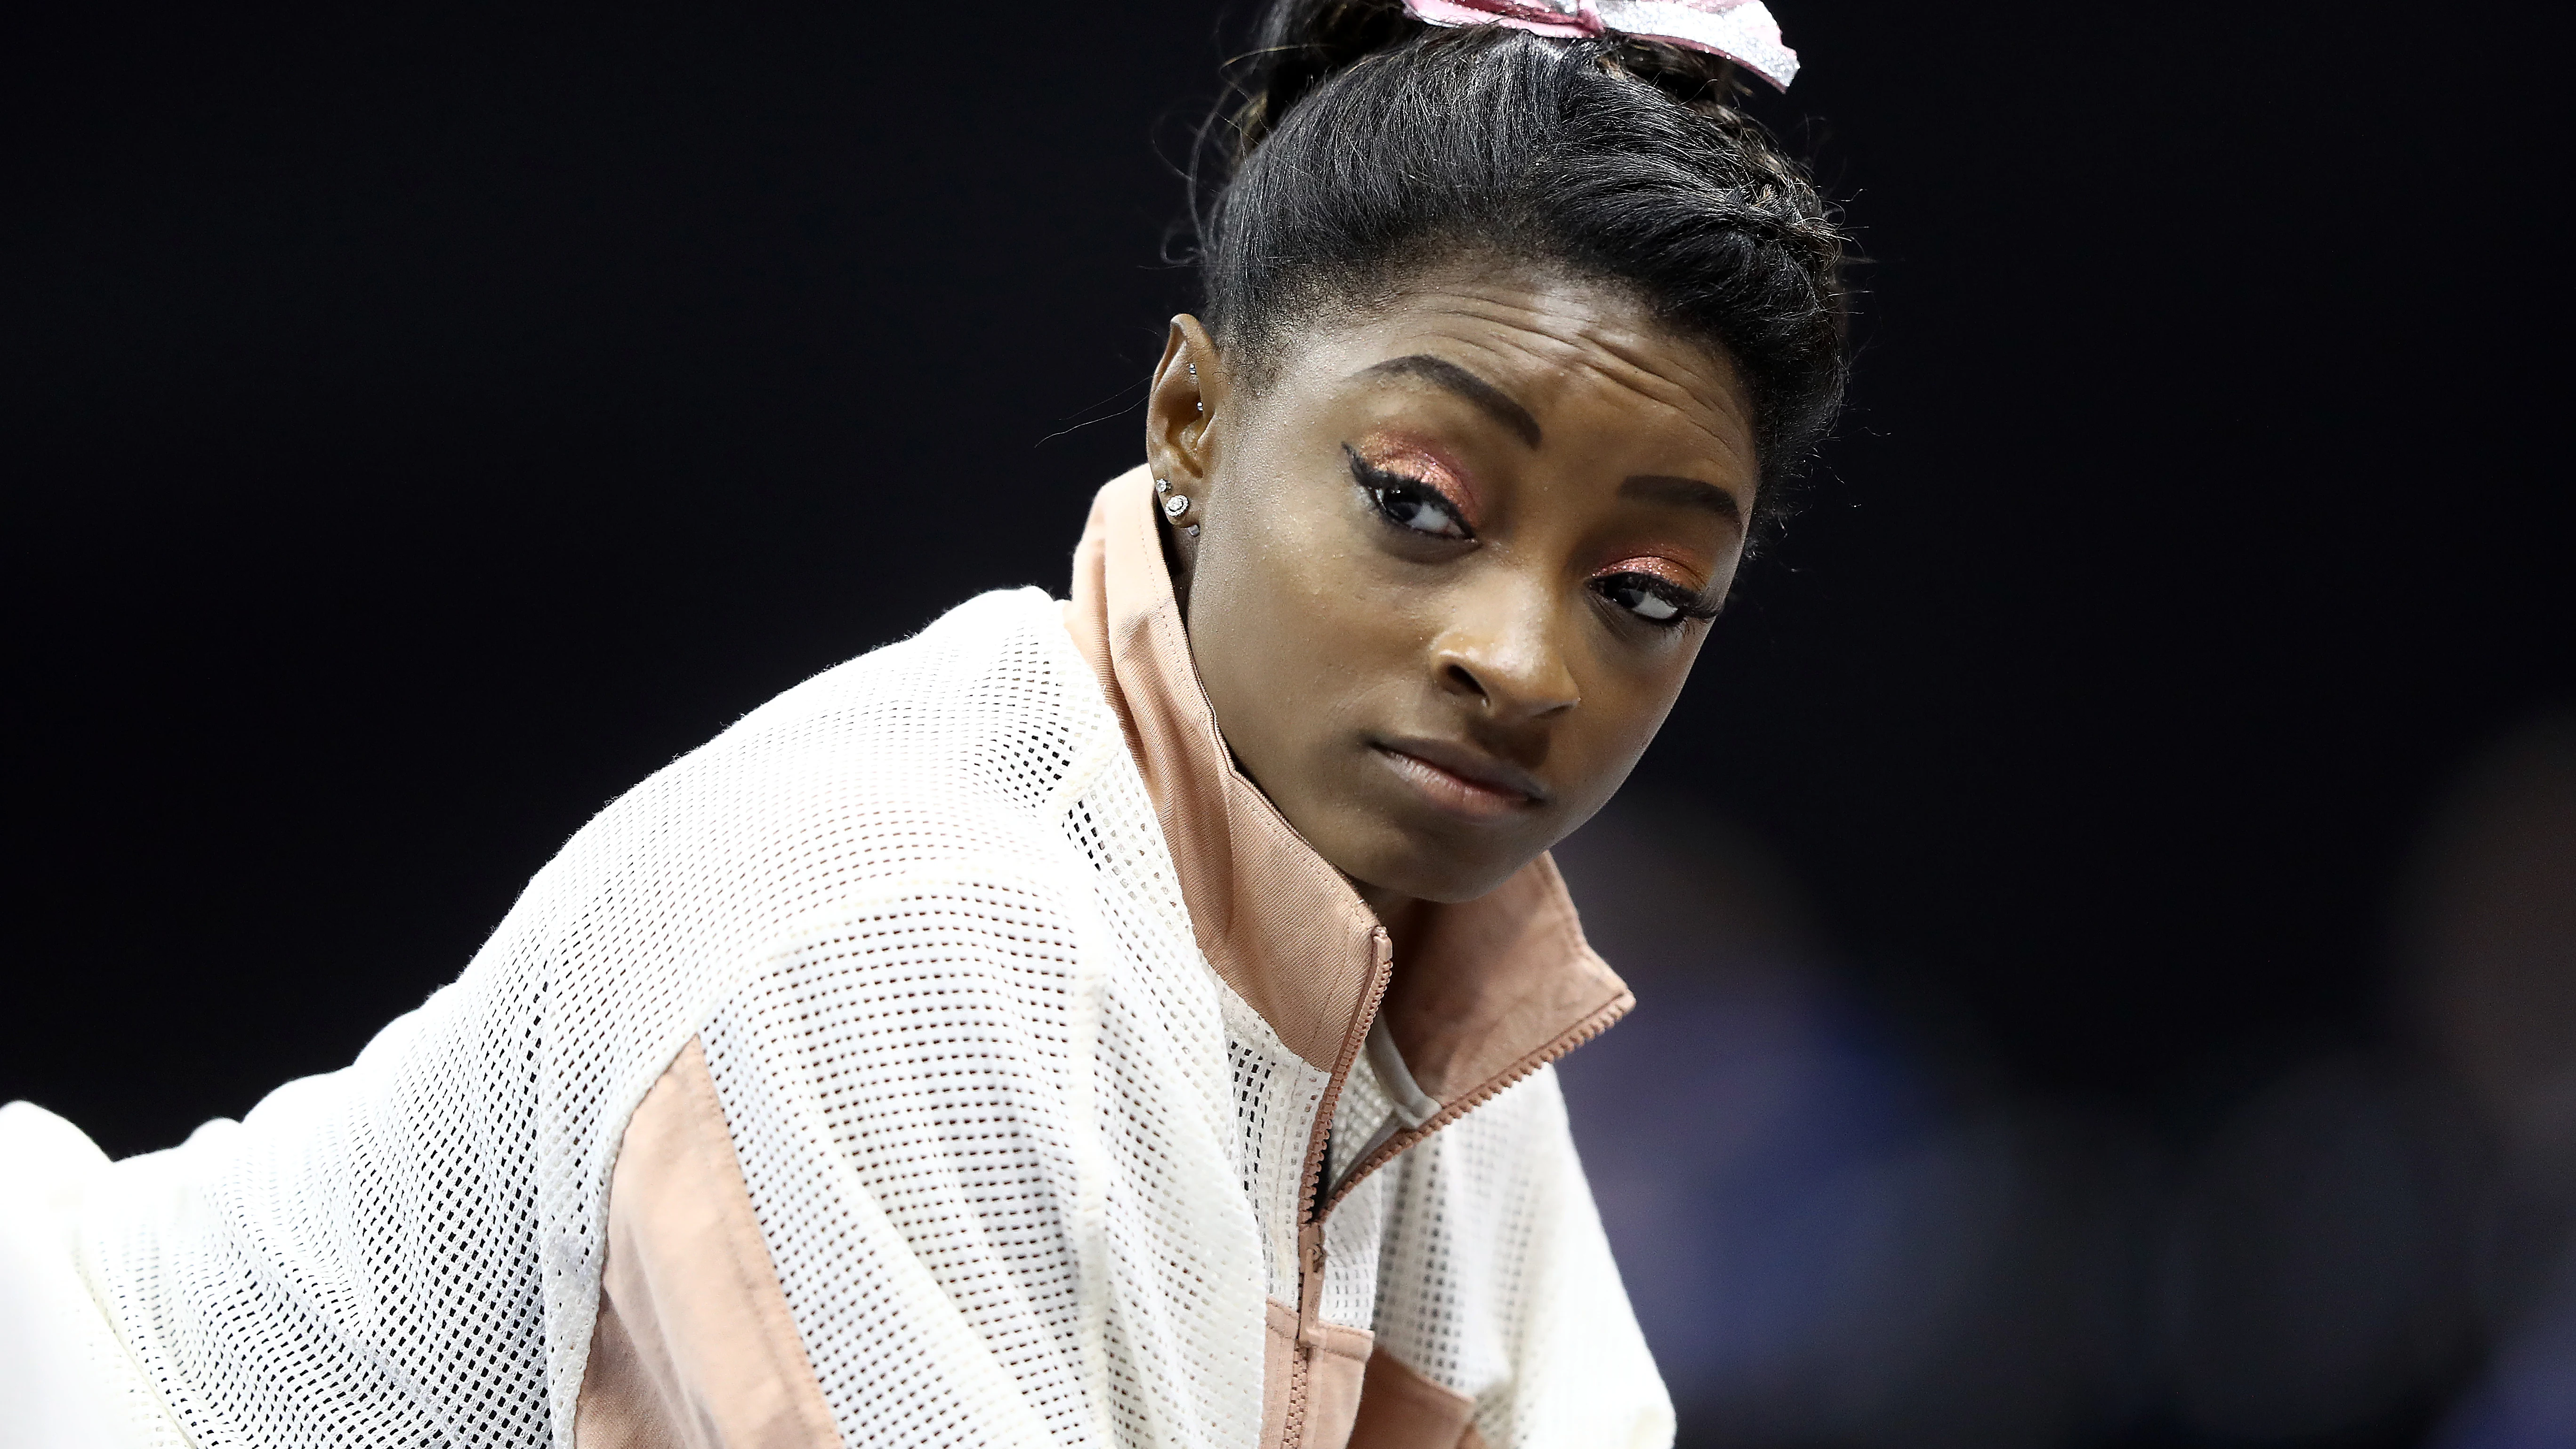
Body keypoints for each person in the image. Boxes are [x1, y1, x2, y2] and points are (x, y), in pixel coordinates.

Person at [0, 1, 1847, 1444]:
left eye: (1644, 596)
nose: (1524, 660)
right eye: (1420, 504)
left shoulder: (1437, 1049)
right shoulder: (896, 921)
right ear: (1193, 428)